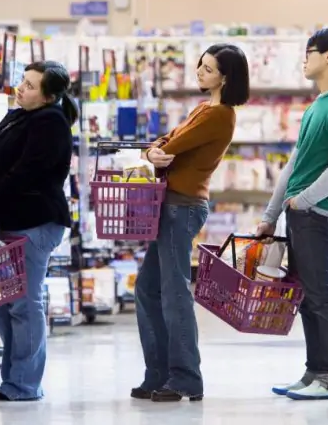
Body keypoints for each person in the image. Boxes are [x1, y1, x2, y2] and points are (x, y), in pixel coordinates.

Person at [132, 43, 249, 403]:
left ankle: (185, 378)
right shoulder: (203, 108)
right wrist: (155, 151)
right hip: (170, 205)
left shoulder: (219, 114)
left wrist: (157, 152)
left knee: (175, 293)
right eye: (200, 65)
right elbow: (163, 144)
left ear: (226, 78)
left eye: (209, 69)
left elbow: (174, 145)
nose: (200, 71)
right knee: (148, 289)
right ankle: (159, 374)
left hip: (181, 207)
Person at [255, 28, 328, 401]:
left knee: (322, 294)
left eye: (309, 52)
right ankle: (315, 371)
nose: (304, 60)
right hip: (299, 212)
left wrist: (303, 201)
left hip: (319, 213)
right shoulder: (318, 104)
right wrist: (272, 213)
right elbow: (295, 163)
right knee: (306, 295)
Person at [0, 61, 76, 401]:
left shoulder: (51, 123)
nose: (21, 89)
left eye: (29, 85)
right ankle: (12, 379)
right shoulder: (19, 114)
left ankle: (24, 383)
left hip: (35, 222)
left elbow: (27, 172)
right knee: (1, 303)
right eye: (22, 81)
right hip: (7, 222)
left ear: (49, 95)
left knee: (24, 304)